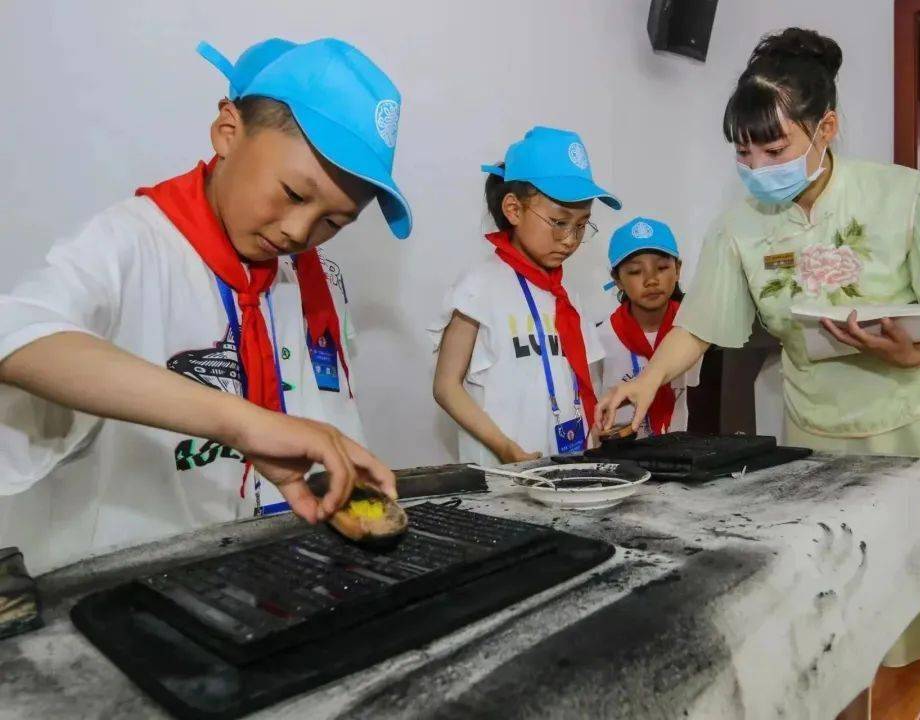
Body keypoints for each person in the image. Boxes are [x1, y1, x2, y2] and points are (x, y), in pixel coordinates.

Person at [595, 27, 920, 720]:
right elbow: (699, 325)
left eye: (775, 147)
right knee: (837, 616)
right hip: (820, 438)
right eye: (743, 151)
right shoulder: (738, 229)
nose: (758, 165)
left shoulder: (909, 196)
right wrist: (646, 381)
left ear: (827, 128)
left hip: (919, 428)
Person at [0, 37, 407, 574]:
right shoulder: (132, 244)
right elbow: (17, 334)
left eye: (334, 222)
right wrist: (239, 423)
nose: (298, 231)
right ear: (228, 132)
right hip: (122, 595)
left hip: (256, 583)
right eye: (292, 193)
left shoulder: (311, 275)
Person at [431, 126, 619, 465]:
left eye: (581, 225)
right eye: (559, 222)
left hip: (564, 473)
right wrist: (504, 447)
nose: (570, 239)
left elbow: (585, 383)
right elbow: (446, 386)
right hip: (503, 478)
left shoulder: (567, 297)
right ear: (514, 210)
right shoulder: (478, 286)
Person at [595, 217, 699, 436]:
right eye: (635, 271)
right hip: (622, 457)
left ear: (678, 269)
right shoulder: (601, 337)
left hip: (680, 451)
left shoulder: (695, 330)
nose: (651, 280)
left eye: (662, 267)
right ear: (618, 280)